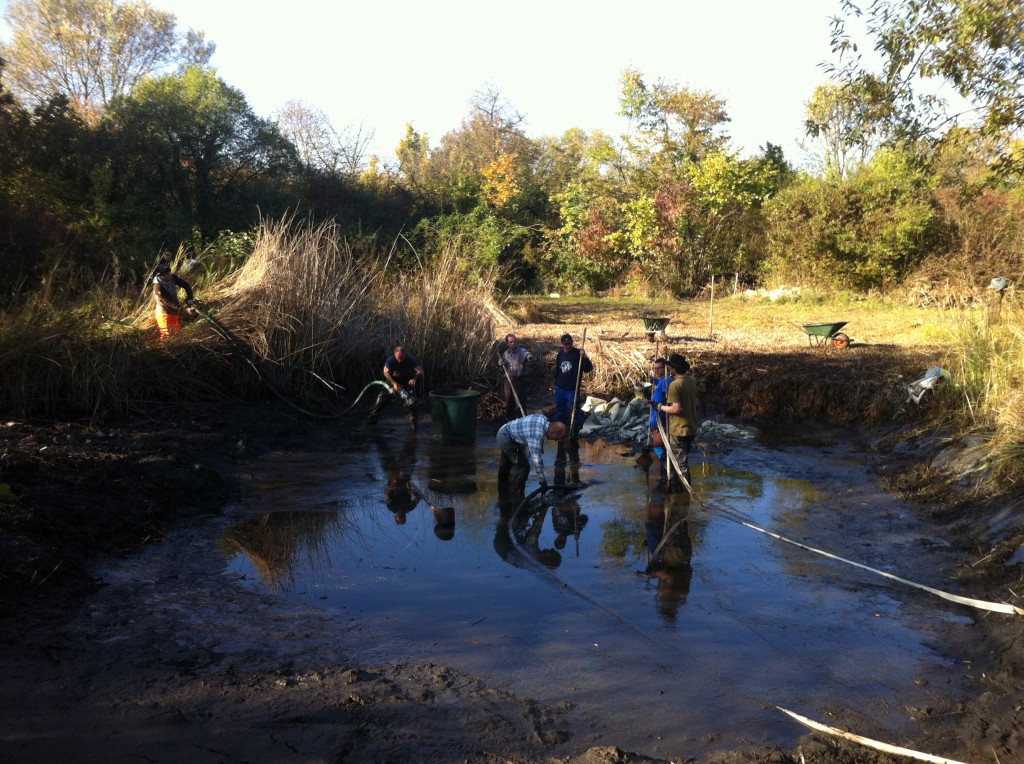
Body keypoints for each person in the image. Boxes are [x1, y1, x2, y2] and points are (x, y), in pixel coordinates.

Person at [655, 353, 698, 491]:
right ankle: (674, 486)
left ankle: (685, 493)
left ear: (673, 369)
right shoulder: (691, 381)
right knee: (678, 459)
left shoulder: (674, 385)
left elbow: (675, 408)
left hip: (678, 429)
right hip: (691, 427)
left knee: (680, 463)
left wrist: (659, 406)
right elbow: (694, 402)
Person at [553, 333, 592, 485]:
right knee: (560, 412)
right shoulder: (560, 353)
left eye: (569, 344)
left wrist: (585, 356)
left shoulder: (578, 354)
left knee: (574, 411)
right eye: (565, 344)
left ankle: (574, 434)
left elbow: (588, 369)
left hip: (572, 389)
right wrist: (556, 383)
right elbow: (557, 369)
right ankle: (561, 433)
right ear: (562, 344)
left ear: (572, 343)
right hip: (561, 388)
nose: (567, 347)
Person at [496, 413, 566, 497]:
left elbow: (532, 447)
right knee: (523, 468)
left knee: (505, 467)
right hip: (506, 438)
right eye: (556, 438)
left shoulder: (543, 419)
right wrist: (542, 480)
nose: (555, 440)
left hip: (507, 431)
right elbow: (536, 459)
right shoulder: (537, 433)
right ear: (552, 432)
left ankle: (503, 496)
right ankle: (517, 497)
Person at [368, 345, 424, 429]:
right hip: (391, 383)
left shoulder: (411, 360)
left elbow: (420, 371)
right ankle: (370, 424)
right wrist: (393, 383)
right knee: (379, 402)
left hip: (406, 384)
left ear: (405, 355)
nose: (400, 360)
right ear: (394, 355)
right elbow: (385, 372)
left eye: (401, 358)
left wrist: (414, 379)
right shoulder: (391, 360)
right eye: (398, 358)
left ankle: (414, 427)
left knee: (412, 405)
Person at [152, 256, 196, 340]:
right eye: (168, 274)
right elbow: (167, 302)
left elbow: (186, 285)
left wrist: (190, 298)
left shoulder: (173, 277)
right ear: (162, 275)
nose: (170, 275)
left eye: (170, 272)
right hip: (164, 313)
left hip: (174, 311)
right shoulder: (158, 287)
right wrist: (183, 309)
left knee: (176, 335)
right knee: (167, 336)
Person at [498, 333, 532, 421]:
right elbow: (502, 367)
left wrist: (529, 357)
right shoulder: (505, 354)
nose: (513, 343)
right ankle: (509, 420)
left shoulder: (522, 351)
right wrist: (500, 363)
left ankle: (522, 419)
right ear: (507, 344)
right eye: (511, 342)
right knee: (509, 401)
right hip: (508, 381)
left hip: (519, 380)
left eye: (515, 341)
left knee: (521, 401)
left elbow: (527, 355)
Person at [649, 357, 673, 462]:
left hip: (660, 416)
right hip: (658, 415)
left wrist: (656, 417)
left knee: (657, 444)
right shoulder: (664, 380)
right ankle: (664, 466)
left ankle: (665, 465)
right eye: (655, 369)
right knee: (659, 444)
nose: (656, 371)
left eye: (658, 368)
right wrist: (656, 381)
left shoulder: (667, 380)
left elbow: (665, 398)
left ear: (665, 368)